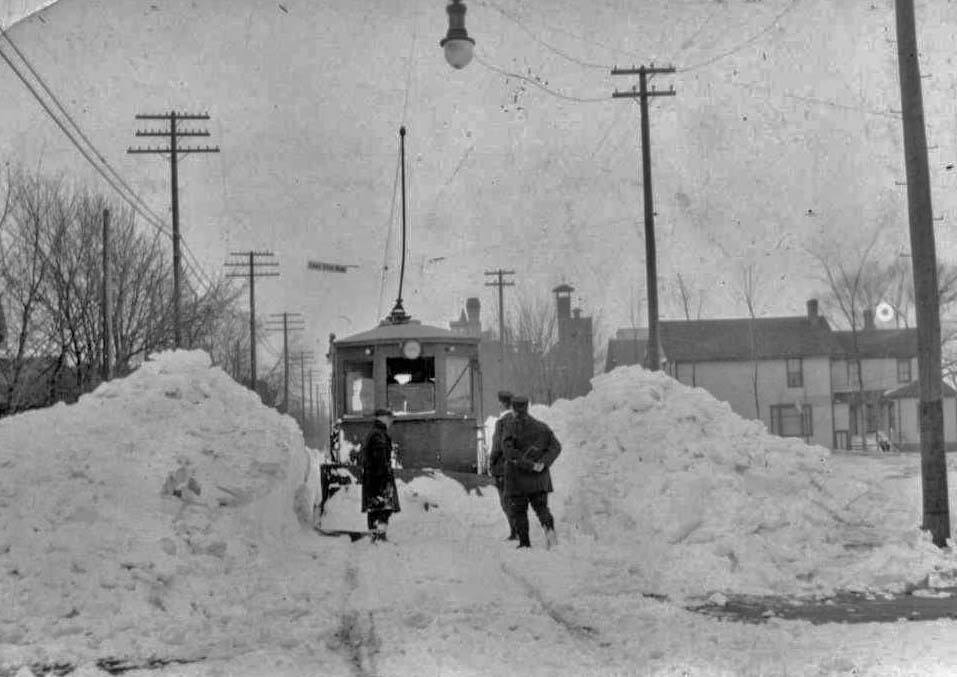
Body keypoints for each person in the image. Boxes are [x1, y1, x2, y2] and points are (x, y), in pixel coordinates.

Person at [502, 396, 561, 549]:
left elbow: (509, 453)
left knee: (520, 512)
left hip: (517, 481)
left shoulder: (510, 428)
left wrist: (528, 464)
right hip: (539, 480)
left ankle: (524, 543)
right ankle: (550, 534)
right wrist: (543, 462)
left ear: (513, 409)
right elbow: (556, 447)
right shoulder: (542, 427)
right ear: (527, 407)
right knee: (542, 509)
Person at [359, 408, 401, 542]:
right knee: (383, 509)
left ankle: (376, 536)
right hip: (379, 480)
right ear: (384, 418)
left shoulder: (375, 433)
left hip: (373, 479)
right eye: (390, 419)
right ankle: (379, 537)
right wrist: (384, 479)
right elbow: (380, 460)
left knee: (376, 509)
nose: (391, 422)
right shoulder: (379, 435)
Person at [487, 390, 517, 540]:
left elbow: (498, 445)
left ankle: (515, 532)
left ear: (503, 404)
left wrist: (491, 460)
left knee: (506, 501)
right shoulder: (516, 420)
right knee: (512, 500)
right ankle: (516, 531)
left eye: (500, 402)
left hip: (502, 468)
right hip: (514, 466)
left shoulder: (502, 422)